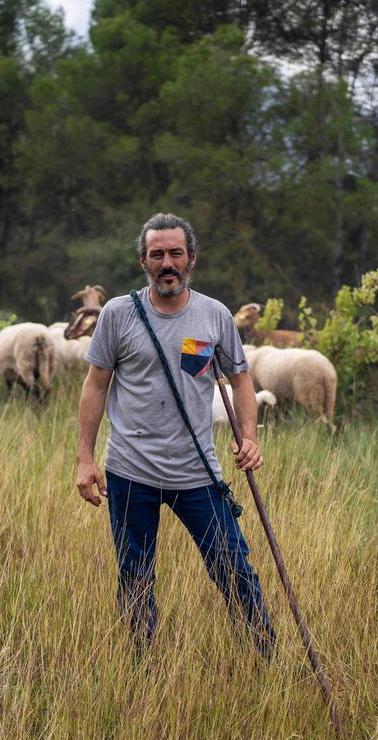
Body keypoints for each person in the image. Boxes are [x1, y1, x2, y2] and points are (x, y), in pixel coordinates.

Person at [75, 212, 276, 659]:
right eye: (157, 254)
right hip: (130, 471)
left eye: (175, 253)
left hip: (197, 471)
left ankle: (267, 659)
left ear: (192, 259)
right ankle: (145, 669)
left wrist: (250, 437)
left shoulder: (214, 315)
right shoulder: (119, 314)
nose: (167, 262)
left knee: (234, 570)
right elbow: (95, 384)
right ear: (144, 261)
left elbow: (240, 379)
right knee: (136, 575)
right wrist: (85, 459)